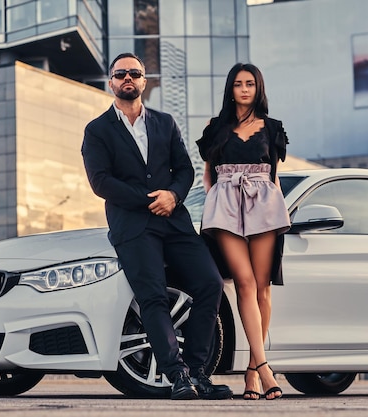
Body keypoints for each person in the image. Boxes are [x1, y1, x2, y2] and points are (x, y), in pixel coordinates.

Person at [82, 52, 232, 401]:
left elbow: (185, 170)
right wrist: (151, 198)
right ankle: (176, 376)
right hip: (133, 226)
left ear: (144, 81)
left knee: (210, 284)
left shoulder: (165, 123)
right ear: (111, 83)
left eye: (135, 73)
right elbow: (101, 182)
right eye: (121, 74)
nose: (128, 79)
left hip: (174, 221)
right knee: (152, 297)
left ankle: (198, 373)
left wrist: (174, 196)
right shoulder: (97, 130)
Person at [196, 63, 290, 400]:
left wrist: (276, 210)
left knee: (263, 290)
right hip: (225, 204)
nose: (245, 89)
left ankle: (252, 370)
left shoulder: (273, 128)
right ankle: (266, 368)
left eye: (250, 84)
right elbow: (208, 175)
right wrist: (218, 202)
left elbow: (274, 175)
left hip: (263, 202)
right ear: (230, 89)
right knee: (245, 283)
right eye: (238, 84)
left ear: (258, 87)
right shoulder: (215, 127)